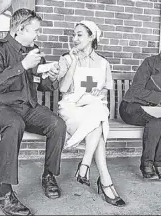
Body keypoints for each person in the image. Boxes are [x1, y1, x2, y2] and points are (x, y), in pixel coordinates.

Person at [0, 8, 66, 215]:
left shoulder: (33, 51)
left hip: (27, 108)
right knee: (14, 124)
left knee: (58, 124)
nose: (38, 35)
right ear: (20, 29)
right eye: (35, 30)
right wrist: (22, 65)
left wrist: (52, 76)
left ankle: (48, 175)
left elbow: (42, 84)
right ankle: (4, 194)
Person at [57, 20, 126, 207]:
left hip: (93, 107)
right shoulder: (67, 58)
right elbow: (63, 89)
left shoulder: (103, 63)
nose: (74, 38)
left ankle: (94, 172)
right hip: (71, 108)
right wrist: (73, 62)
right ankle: (100, 177)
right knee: (98, 122)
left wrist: (99, 93)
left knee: (97, 114)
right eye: (74, 34)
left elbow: (105, 90)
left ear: (92, 37)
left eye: (79, 34)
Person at [119, 33, 161, 179]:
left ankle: (158, 163)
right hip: (131, 107)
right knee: (156, 118)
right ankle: (147, 164)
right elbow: (136, 90)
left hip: (154, 108)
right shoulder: (149, 63)